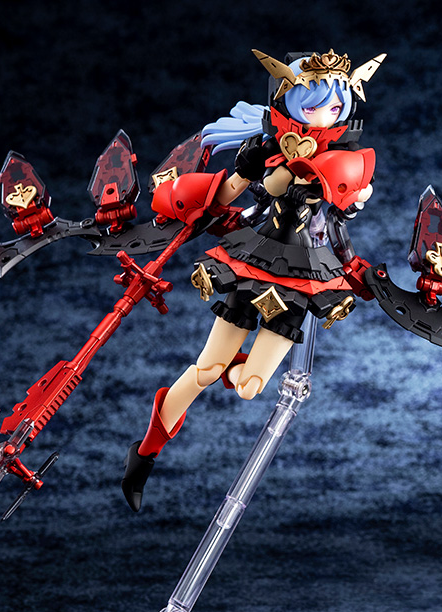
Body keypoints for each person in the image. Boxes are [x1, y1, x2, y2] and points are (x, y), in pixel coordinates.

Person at [122, 48, 386, 511]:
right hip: (254, 259)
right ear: (287, 100)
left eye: (334, 106)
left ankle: (232, 363)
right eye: (314, 105)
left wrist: (352, 255)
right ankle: (144, 455)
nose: (326, 115)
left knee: (250, 387)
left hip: (304, 272)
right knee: (204, 371)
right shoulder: (264, 148)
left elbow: (335, 220)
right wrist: (189, 199)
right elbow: (226, 195)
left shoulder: (345, 159)